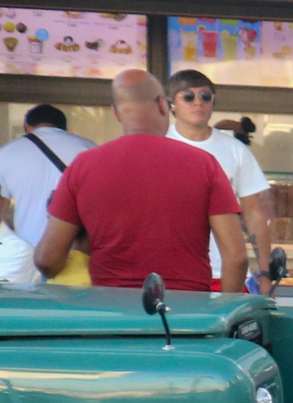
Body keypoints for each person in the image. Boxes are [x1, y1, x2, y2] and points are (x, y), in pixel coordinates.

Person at [33, 69, 245, 293]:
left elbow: (48, 261)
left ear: (116, 112)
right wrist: (222, 312)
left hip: (111, 311)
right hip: (186, 313)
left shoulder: (83, 165)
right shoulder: (204, 164)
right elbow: (237, 258)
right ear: (163, 105)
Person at [164, 69, 273, 271]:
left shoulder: (236, 150)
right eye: (188, 97)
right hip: (170, 271)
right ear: (171, 105)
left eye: (205, 96)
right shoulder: (158, 145)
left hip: (227, 271)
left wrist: (266, 273)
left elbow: (254, 215)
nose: (198, 102)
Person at [0, 105, 96, 286]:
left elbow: (1, 213)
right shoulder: (89, 149)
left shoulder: (5, 153)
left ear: (27, 126)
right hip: (78, 258)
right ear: (64, 127)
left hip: (27, 258)